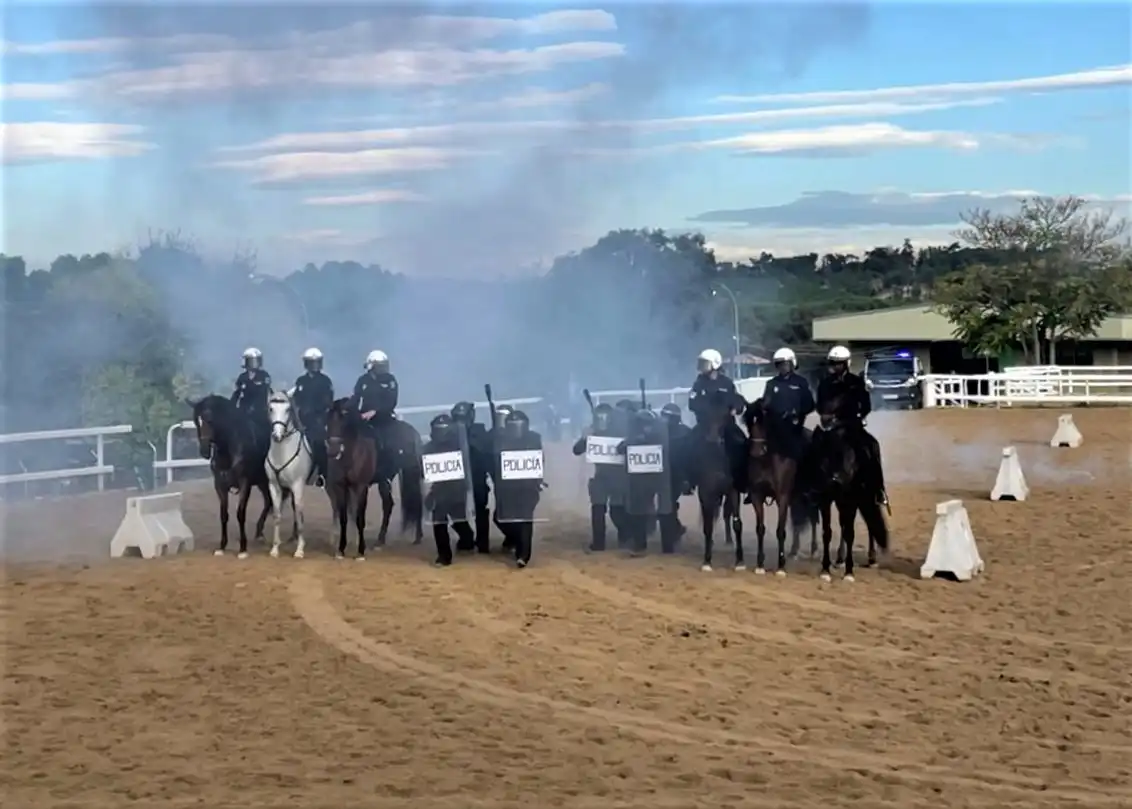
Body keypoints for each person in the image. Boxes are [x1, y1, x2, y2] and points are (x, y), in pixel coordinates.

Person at [816, 345, 887, 504]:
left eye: (839, 363)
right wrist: (825, 414)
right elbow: (820, 405)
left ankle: (878, 489)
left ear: (846, 363)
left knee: (873, 446)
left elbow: (866, 404)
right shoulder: (825, 384)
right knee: (815, 448)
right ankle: (815, 488)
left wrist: (860, 415)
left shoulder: (856, 382)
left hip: (852, 424)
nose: (836, 366)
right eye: (834, 363)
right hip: (832, 426)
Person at [492, 409, 544, 568]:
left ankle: (524, 555)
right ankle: (516, 540)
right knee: (499, 518)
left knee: (525, 519)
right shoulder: (500, 440)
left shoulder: (534, 439)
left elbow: (539, 461)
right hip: (508, 488)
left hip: (528, 487)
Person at [572, 402, 628, 552]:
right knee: (597, 508)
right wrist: (584, 438)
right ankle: (599, 543)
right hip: (601, 477)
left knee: (617, 511)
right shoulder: (592, 432)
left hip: (619, 476)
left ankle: (624, 535)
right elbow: (576, 450)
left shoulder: (620, 431)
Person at [422, 413, 476, 567]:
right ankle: (444, 555)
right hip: (438, 491)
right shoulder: (428, 448)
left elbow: (468, 467)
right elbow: (423, 470)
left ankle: (468, 539)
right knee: (439, 521)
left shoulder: (460, 447)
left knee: (459, 519)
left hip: (456, 489)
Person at [451, 400, 492, 553]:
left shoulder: (480, 432)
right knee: (452, 509)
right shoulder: (448, 434)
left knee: (481, 510)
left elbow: (485, 451)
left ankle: (483, 543)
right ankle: (466, 537)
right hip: (455, 481)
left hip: (477, 478)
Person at [689, 348, 747, 451]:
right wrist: (707, 410)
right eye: (701, 363)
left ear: (715, 364)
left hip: (726, 424)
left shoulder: (727, 383)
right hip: (704, 425)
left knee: (742, 443)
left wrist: (735, 409)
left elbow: (736, 400)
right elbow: (692, 403)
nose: (702, 366)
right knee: (689, 445)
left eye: (705, 363)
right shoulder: (698, 384)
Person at [291, 347, 334, 487]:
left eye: (317, 363)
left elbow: (328, 402)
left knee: (319, 444)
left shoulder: (325, 381)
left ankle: (322, 474)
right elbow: (295, 400)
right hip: (301, 419)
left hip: (318, 420)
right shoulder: (301, 381)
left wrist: (319, 414)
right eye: (312, 363)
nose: (314, 366)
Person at [352, 350, 399, 454]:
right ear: (371, 367)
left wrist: (375, 412)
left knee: (389, 444)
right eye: (379, 366)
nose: (382, 369)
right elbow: (356, 398)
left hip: (384, 419)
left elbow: (392, 402)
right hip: (365, 420)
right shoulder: (362, 380)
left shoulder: (390, 380)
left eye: (383, 366)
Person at [659, 402, 691, 540]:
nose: (665, 420)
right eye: (664, 416)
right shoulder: (657, 432)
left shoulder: (685, 433)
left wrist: (688, 478)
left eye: (668, 417)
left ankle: (674, 529)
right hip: (658, 473)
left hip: (678, 474)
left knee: (668, 503)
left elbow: (692, 456)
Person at [231, 347, 273, 447]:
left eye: (256, 361)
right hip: (244, 411)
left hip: (260, 412)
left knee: (266, 431)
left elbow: (265, 391)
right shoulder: (242, 377)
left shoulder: (264, 376)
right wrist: (231, 407)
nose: (254, 363)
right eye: (251, 361)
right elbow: (237, 394)